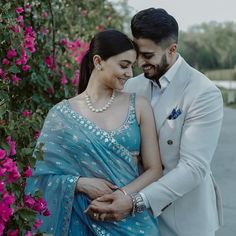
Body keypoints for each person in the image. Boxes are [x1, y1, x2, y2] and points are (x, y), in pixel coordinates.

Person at [86, 8, 224, 236]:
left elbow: (193, 168)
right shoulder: (131, 86)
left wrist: (136, 201)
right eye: (137, 53)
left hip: (184, 219)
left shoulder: (203, 92)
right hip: (135, 219)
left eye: (148, 56)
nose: (139, 62)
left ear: (172, 50)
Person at [25, 29, 163, 235]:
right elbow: (39, 175)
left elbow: (155, 169)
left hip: (131, 221)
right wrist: (78, 183)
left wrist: (124, 196)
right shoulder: (61, 115)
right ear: (98, 62)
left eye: (131, 67)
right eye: (124, 65)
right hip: (80, 219)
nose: (130, 74)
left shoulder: (139, 105)